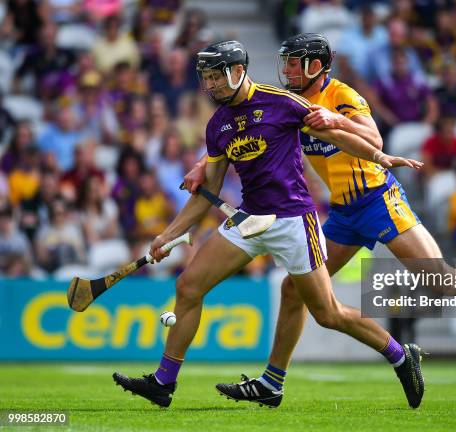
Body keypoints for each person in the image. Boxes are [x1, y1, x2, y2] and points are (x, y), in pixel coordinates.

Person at [185, 34, 456, 409]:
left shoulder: (341, 95)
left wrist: (335, 121)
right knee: (294, 291)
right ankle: (272, 383)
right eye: (284, 62)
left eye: (293, 63)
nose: (285, 70)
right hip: (343, 213)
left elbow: (375, 138)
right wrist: (204, 166)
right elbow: (249, 130)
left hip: (378, 200)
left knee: (441, 279)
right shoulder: (288, 101)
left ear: (316, 65)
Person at [112, 40, 426, 409]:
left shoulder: (282, 102)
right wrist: (169, 234)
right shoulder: (218, 126)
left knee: (328, 313)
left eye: (216, 77)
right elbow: (207, 189)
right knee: (188, 286)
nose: (209, 86)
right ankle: (163, 382)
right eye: (206, 78)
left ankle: (400, 356)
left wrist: (378, 156)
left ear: (237, 71)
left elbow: (334, 135)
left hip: (294, 221)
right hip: (249, 220)